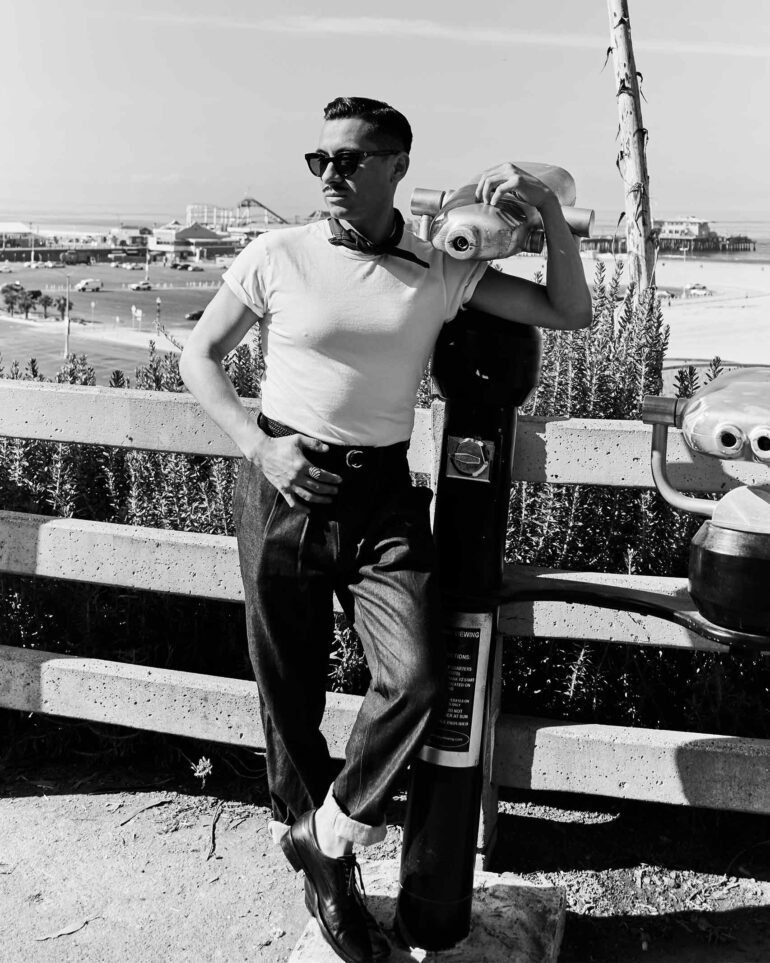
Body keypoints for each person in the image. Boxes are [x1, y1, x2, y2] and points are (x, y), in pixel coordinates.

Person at [180, 96, 592, 963]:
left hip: (384, 498)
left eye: (350, 160)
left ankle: (324, 837)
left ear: (398, 167)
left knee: (416, 676)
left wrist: (549, 215)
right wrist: (259, 447)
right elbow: (200, 357)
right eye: (318, 159)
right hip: (285, 490)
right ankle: (331, 880)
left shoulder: (438, 266)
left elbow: (569, 311)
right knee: (287, 694)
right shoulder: (276, 253)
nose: (329, 175)